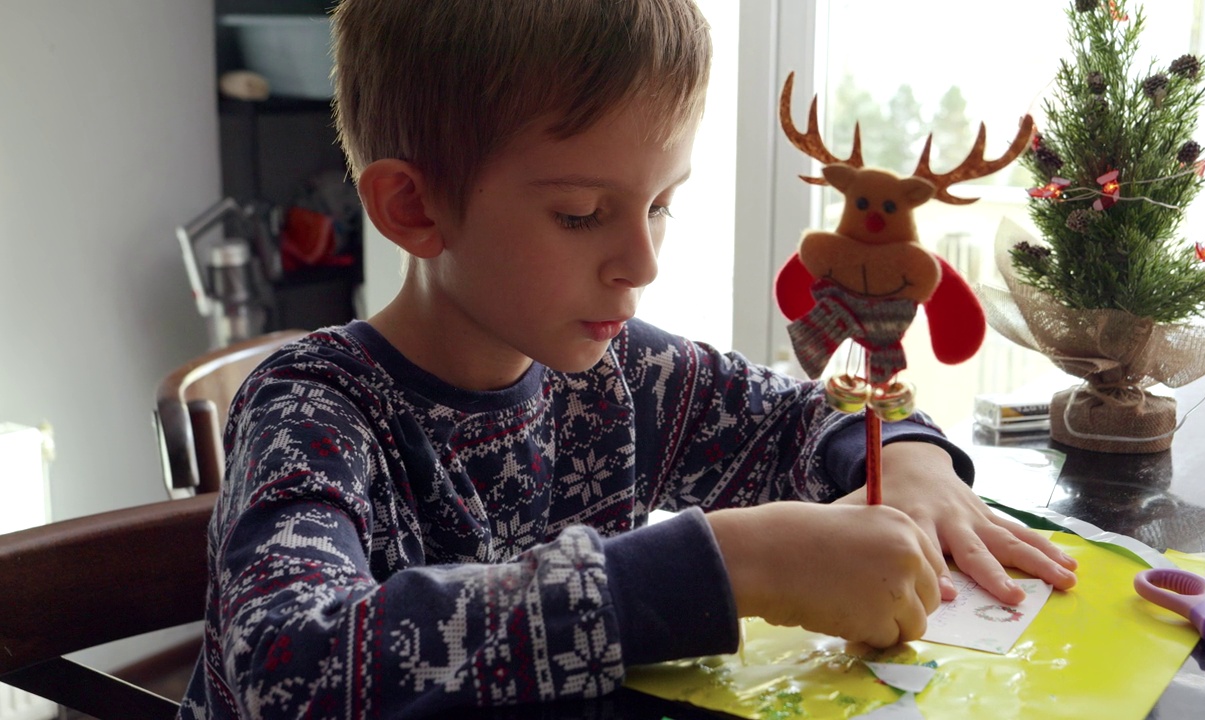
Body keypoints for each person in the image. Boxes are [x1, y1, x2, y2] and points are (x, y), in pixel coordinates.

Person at [179, 0, 1077, 716]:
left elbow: (804, 416)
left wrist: (912, 457)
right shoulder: (313, 410)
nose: (642, 263)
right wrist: (729, 566)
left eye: (660, 205)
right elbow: (289, 667)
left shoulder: (623, 374)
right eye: (580, 213)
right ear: (415, 207)